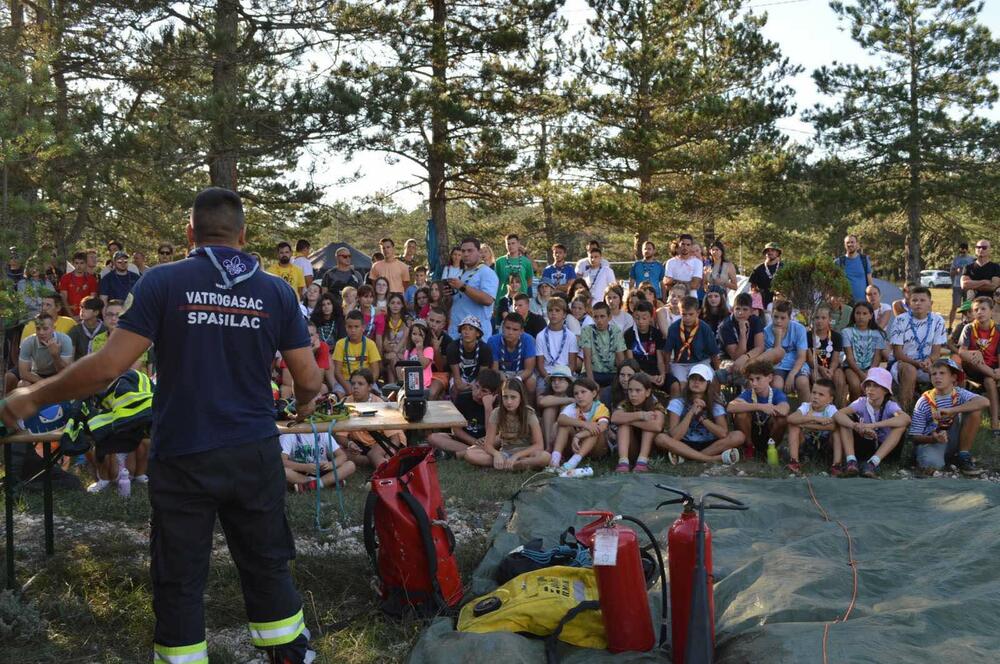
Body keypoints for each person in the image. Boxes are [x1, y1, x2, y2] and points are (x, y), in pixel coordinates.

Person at [1, 187, 324, 662]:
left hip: (184, 452)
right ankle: (289, 654)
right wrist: (306, 405)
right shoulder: (276, 290)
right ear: (243, 234)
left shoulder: (162, 282)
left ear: (190, 233)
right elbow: (309, 378)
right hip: (253, 451)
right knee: (267, 563)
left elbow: (107, 368)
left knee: (179, 577)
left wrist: (32, 397)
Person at [908, 358, 988, 476]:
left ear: (953, 378)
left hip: (954, 438)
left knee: (975, 410)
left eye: (942, 373)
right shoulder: (924, 401)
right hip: (932, 442)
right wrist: (933, 439)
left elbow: (984, 402)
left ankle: (963, 455)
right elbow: (914, 437)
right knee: (932, 466)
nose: (937, 377)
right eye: (934, 374)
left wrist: (952, 410)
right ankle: (944, 460)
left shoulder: (959, 393)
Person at [657, 364, 743, 466]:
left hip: (710, 443)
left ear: (708, 383)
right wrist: (691, 412)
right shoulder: (677, 402)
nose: (696, 382)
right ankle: (710, 458)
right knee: (660, 438)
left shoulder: (715, 403)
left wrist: (702, 418)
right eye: (693, 378)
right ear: (688, 381)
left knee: (738, 436)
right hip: (683, 442)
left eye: (701, 379)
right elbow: (675, 436)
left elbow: (723, 433)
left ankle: (687, 457)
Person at [833, 367, 910, 478]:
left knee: (900, 426)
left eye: (876, 386)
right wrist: (856, 426)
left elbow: (906, 419)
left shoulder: (890, 406)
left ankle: (873, 463)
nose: (870, 389)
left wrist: (872, 425)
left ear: (885, 390)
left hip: (886, 449)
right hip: (865, 446)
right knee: (845, 420)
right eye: (868, 385)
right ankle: (851, 461)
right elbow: (838, 414)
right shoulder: (861, 402)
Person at [464, 378, 550, 470]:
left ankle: (515, 464)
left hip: (525, 453)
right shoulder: (497, 413)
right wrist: (496, 454)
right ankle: (513, 465)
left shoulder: (529, 413)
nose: (509, 402)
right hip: (505, 453)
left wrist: (516, 455)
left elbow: (539, 445)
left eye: (513, 397)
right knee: (470, 454)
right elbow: (488, 445)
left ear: (521, 398)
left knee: (545, 456)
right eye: (505, 397)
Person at [889, 286, 946, 411]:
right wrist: (917, 364)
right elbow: (898, 353)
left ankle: (946, 410)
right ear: (909, 303)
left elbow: (936, 352)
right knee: (910, 370)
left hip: (927, 362)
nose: (918, 303)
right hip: (903, 363)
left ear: (930, 303)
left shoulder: (938, 321)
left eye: (922, 300)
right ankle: (905, 411)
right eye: (914, 300)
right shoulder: (900, 320)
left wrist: (929, 361)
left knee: (950, 369)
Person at [336, 368, 404, 468]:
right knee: (336, 452)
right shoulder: (345, 403)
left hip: (380, 441)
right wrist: (349, 444)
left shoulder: (379, 404)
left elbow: (395, 437)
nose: (355, 387)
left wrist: (391, 453)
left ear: (370, 387)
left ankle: (382, 467)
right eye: (353, 383)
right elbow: (340, 435)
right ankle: (376, 462)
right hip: (359, 445)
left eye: (360, 384)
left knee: (374, 454)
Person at [427, 369, 500, 458]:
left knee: (497, 440)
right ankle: (474, 451)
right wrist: (474, 442)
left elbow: (492, 436)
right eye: (476, 387)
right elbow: (456, 430)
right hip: (466, 441)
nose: (478, 393)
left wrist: (488, 408)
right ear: (473, 384)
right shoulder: (463, 397)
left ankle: (463, 453)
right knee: (433, 437)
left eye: (484, 391)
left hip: (488, 442)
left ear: (493, 394)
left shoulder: (498, 405)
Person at [727, 360, 790, 460]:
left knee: (781, 419)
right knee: (741, 415)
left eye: (758, 378)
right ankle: (749, 447)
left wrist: (771, 408)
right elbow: (730, 407)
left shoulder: (776, 393)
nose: (754, 383)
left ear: (770, 378)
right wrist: (761, 406)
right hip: (751, 433)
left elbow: (784, 409)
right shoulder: (748, 393)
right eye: (751, 380)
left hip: (769, 433)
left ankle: (770, 449)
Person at [957, 296, 1000, 439]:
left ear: (991, 311)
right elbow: (962, 352)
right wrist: (976, 353)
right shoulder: (969, 328)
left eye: (983, 309)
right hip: (973, 369)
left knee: (989, 381)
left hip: (991, 370)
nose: (980, 312)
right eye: (976, 310)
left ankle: (995, 424)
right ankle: (993, 375)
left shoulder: (998, 329)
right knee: (975, 355)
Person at [549, 377, 610, 471]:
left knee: (595, 430)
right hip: (575, 446)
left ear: (594, 393)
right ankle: (554, 460)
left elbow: (602, 427)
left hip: (596, 450)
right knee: (564, 425)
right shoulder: (573, 407)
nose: (579, 396)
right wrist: (585, 424)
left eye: (583, 392)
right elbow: (561, 419)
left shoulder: (600, 408)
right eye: (576, 393)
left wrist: (579, 435)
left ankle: (572, 463)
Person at [611, 371, 666, 472]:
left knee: (648, 424)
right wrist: (640, 415)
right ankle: (623, 462)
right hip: (632, 448)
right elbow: (614, 417)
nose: (633, 394)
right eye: (630, 390)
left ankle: (642, 462)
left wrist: (631, 421)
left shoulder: (654, 404)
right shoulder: (626, 403)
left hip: (651, 449)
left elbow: (657, 426)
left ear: (647, 392)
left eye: (638, 390)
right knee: (623, 425)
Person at [664, 296, 720, 393]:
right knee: (681, 386)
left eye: (691, 314)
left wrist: (717, 372)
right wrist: (667, 371)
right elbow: (667, 351)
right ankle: (681, 402)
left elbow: (713, 352)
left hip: (700, 361)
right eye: (684, 314)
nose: (687, 318)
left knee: (710, 381)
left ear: (698, 312)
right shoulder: (673, 328)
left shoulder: (705, 328)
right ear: (679, 312)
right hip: (680, 364)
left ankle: (715, 401)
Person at [447, 237, 499, 339]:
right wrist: (447, 294)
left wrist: (463, 287)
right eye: (463, 251)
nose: (466, 254)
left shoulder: (487, 272)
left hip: (477, 335)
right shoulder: (461, 273)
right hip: (456, 332)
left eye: (470, 250)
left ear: (479, 252)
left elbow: (488, 300)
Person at [6, 312, 74, 392]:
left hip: (57, 375)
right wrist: (45, 383)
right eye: (38, 328)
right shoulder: (28, 342)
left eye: (45, 329)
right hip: (37, 374)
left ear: (53, 328)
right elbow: (24, 373)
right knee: (23, 384)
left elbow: (65, 373)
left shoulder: (65, 340)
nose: (41, 332)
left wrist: (55, 355)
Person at [786, 379, 840, 475]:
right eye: (814, 392)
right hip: (807, 444)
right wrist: (815, 419)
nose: (816, 397)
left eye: (821, 394)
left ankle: (836, 465)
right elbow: (790, 418)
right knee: (793, 425)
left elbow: (833, 426)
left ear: (830, 399)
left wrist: (805, 424)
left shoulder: (831, 409)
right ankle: (794, 462)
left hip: (825, 445)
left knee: (837, 431)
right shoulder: (806, 406)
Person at [280, 425, 355, 492]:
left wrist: (331, 464)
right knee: (282, 471)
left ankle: (311, 485)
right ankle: (329, 481)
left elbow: (342, 456)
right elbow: (282, 461)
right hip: (301, 472)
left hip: (323, 469)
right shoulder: (289, 435)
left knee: (350, 465)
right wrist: (304, 467)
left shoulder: (323, 433)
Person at [761, 300, 810, 399]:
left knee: (802, 382)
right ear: (771, 315)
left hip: (797, 364)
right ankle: (780, 407)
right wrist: (778, 336)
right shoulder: (766, 332)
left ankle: (806, 409)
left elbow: (801, 356)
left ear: (789, 318)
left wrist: (792, 374)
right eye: (776, 317)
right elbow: (775, 357)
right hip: (778, 365)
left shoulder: (799, 329)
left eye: (783, 318)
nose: (778, 321)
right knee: (776, 385)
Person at [841, 301, 888, 401]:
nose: (861, 317)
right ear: (853, 315)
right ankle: (854, 407)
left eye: (864, 313)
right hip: (852, 367)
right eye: (858, 313)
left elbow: (877, 357)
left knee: (873, 386)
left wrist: (869, 372)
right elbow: (849, 357)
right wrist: (861, 373)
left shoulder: (878, 333)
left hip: (871, 367)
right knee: (855, 385)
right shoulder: (847, 332)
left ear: (871, 316)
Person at [716, 292, 765, 383]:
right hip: (729, 360)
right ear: (732, 310)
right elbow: (736, 356)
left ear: (751, 311)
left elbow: (760, 347)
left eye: (745, 309)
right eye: (737, 308)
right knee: (747, 374)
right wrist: (742, 332)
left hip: (750, 358)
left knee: (777, 352)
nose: (740, 312)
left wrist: (746, 357)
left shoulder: (755, 320)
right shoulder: (725, 326)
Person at [332, 310, 383, 396]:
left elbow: (375, 371)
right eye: (350, 327)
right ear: (345, 327)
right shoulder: (340, 344)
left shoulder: (370, 344)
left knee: (376, 397)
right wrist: (347, 387)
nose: (353, 330)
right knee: (337, 396)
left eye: (356, 327)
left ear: (363, 327)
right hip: (345, 381)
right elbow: (337, 372)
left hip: (365, 381)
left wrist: (366, 385)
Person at [487, 312, 537, 397]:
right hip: (501, 372)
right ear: (502, 327)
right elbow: (494, 369)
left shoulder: (528, 339)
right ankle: (499, 403)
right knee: (494, 379)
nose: (510, 332)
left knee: (531, 381)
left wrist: (517, 379)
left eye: (515, 330)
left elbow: (529, 369)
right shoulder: (493, 341)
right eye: (507, 328)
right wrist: (503, 378)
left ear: (521, 331)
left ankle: (529, 404)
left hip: (521, 372)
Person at [279, 322, 333, 398]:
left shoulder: (322, 347)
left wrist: (311, 354)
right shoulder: (291, 346)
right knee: (286, 389)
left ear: (317, 336)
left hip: (309, 384)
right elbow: (287, 381)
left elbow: (317, 381)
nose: (308, 339)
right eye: (304, 335)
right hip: (293, 384)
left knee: (323, 388)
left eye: (311, 335)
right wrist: (309, 353)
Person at [807, 305, 847, 406]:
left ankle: (837, 408)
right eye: (816, 318)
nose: (819, 321)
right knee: (818, 379)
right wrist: (821, 369)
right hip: (815, 367)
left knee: (839, 379)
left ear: (829, 319)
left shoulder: (836, 336)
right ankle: (820, 407)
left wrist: (831, 370)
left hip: (832, 367)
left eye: (823, 318)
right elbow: (810, 359)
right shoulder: (808, 336)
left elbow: (835, 359)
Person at [535, 298, 579, 389]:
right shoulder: (540, 336)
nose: (553, 313)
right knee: (541, 394)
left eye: (557, 310)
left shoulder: (571, 336)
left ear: (564, 315)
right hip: (546, 374)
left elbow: (572, 364)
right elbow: (540, 365)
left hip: (565, 375)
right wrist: (549, 380)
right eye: (550, 310)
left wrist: (562, 379)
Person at [580, 302, 625, 387]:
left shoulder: (616, 331)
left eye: (602, 316)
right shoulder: (587, 330)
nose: (599, 320)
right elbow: (587, 357)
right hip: (591, 372)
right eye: (595, 317)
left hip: (611, 373)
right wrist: (591, 383)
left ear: (609, 317)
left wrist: (621, 378)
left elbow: (620, 358)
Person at [624, 300, 667, 389]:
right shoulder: (629, 334)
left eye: (644, 318)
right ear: (633, 316)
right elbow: (631, 362)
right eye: (637, 318)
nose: (640, 321)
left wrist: (662, 375)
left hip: (655, 371)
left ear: (651, 317)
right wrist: (650, 378)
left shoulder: (656, 333)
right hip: (637, 373)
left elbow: (660, 361)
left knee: (674, 385)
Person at [447, 315, 493, 395]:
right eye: (464, 329)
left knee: (481, 392)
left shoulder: (485, 349)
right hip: (460, 377)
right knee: (455, 390)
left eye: (471, 329)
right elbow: (457, 378)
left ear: (478, 333)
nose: (466, 332)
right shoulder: (452, 347)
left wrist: (475, 386)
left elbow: (482, 376)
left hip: (477, 378)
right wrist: (459, 385)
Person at [375, 293, 409, 383]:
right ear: (388, 305)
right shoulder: (384, 320)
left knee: (391, 366)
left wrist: (396, 352)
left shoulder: (407, 321)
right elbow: (385, 344)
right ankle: (403, 384)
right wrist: (394, 352)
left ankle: (393, 389)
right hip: (387, 355)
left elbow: (405, 343)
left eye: (398, 303)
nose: (395, 306)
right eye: (392, 303)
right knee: (392, 358)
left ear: (402, 305)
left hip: (402, 355)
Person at [538, 365, 574, 446]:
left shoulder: (575, 393)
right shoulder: (547, 395)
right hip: (548, 434)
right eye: (553, 380)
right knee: (549, 409)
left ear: (568, 382)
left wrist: (557, 424)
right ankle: (548, 447)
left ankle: (559, 447)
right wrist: (570, 400)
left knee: (565, 407)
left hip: (569, 435)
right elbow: (542, 402)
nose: (556, 383)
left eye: (560, 379)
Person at [493, 233, 534, 302]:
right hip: (502, 299)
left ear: (518, 244)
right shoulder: (499, 261)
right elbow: (495, 282)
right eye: (508, 244)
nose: (510, 246)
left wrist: (520, 287)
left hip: (521, 300)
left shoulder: (526, 262)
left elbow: (529, 281)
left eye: (513, 243)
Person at [834, 234, 873, 303]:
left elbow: (870, 282)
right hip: (845, 303)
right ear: (844, 245)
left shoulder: (864, 260)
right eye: (847, 242)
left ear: (857, 244)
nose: (850, 244)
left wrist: (871, 299)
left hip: (863, 303)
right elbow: (834, 282)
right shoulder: (838, 262)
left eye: (852, 242)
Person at [398, 319, 434, 391]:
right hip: (411, 383)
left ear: (426, 336)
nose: (416, 337)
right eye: (414, 334)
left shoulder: (428, 349)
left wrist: (419, 351)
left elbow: (424, 365)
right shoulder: (408, 351)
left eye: (420, 335)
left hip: (423, 383)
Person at [59, 251, 98, 317]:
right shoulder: (65, 278)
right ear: (73, 263)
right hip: (69, 316)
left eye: (81, 263)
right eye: (76, 263)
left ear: (86, 263)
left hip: (86, 316)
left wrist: (85, 316)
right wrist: (72, 317)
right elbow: (64, 299)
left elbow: (92, 300)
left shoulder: (92, 279)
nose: (79, 266)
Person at [67, 296, 105, 361]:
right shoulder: (75, 330)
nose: (82, 311)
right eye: (81, 307)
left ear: (96, 312)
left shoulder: (105, 329)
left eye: (87, 308)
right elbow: (70, 358)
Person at [426, 306, 451, 400]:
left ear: (443, 325)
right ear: (427, 319)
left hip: (438, 374)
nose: (433, 324)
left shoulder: (447, 341)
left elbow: (441, 368)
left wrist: (436, 350)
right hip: (421, 372)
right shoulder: (420, 333)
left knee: (431, 393)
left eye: (437, 322)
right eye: (431, 320)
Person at [949, 242, 975, 331]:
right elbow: (951, 273)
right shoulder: (956, 259)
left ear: (967, 250)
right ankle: (950, 327)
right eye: (960, 251)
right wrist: (956, 271)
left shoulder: (972, 259)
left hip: (968, 286)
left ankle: (964, 326)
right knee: (954, 306)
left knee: (966, 307)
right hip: (957, 285)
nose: (962, 253)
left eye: (964, 251)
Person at [748, 242, 783, 309]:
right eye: (767, 251)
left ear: (778, 253)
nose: (770, 252)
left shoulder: (784, 267)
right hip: (762, 305)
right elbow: (753, 288)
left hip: (781, 305)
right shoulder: (758, 269)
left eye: (772, 250)